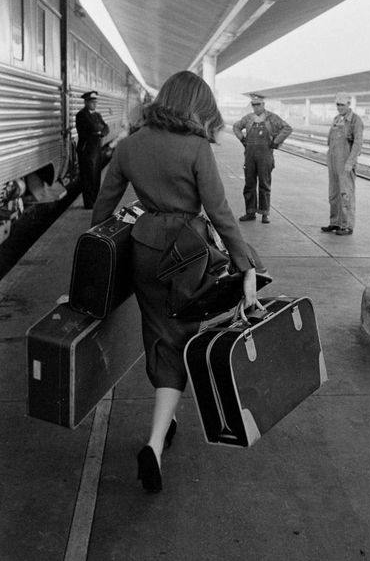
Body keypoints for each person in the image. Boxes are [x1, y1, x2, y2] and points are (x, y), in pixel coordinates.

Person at [91, 71, 258, 494]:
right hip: (188, 254)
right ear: (196, 106)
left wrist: (94, 260)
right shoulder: (197, 148)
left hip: (144, 250)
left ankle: (168, 420)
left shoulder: (130, 145)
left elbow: (103, 207)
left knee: (159, 331)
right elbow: (220, 213)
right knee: (178, 336)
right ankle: (154, 442)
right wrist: (246, 264)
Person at [233, 94, 292, 224]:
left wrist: (276, 142)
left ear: (263, 105)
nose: (256, 107)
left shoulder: (272, 118)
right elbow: (236, 126)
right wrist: (242, 139)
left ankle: (265, 213)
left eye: (258, 104)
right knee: (249, 184)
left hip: (265, 156)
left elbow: (287, 128)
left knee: (264, 185)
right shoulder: (248, 118)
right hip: (249, 156)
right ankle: (250, 212)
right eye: (253, 105)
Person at [321, 92, 364, 236]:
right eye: (337, 105)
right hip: (333, 162)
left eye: (342, 105)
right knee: (333, 193)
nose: (339, 107)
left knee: (346, 194)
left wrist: (350, 162)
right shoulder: (337, 119)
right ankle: (335, 222)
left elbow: (358, 144)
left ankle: (346, 225)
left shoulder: (355, 121)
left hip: (345, 163)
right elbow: (330, 140)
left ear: (348, 104)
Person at [75, 91, 110, 209]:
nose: (94, 104)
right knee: (88, 177)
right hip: (86, 150)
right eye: (92, 102)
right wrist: (99, 130)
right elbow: (93, 128)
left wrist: (100, 131)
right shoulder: (81, 115)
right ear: (86, 102)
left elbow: (106, 128)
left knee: (96, 176)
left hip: (96, 149)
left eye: (95, 102)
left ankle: (94, 200)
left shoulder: (97, 115)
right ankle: (89, 203)